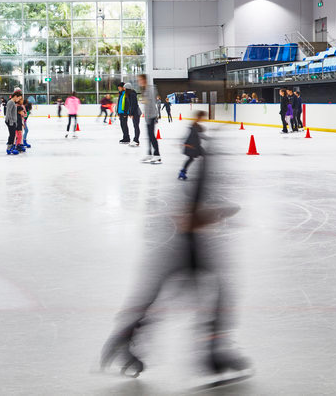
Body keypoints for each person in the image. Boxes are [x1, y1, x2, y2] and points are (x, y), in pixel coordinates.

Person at [100, 129, 249, 381]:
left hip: (184, 247)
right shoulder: (205, 173)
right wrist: (220, 213)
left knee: (173, 297)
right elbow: (191, 216)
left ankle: (127, 340)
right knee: (216, 296)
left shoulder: (202, 172)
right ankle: (211, 353)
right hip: (187, 247)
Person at [138, 74, 161, 164]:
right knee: (149, 136)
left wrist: (153, 117)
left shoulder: (150, 89)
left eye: (140, 80)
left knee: (152, 136)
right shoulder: (145, 89)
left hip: (151, 116)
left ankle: (157, 155)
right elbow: (147, 103)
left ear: (144, 80)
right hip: (148, 117)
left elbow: (151, 104)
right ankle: (149, 154)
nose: (139, 82)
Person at [178, 110, 206, 180]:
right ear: (200, 117)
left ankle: (182, 172)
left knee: (192, 158)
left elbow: (199, 131)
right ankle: (182, 172)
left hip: (195, 145)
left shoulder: (195, 124)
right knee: (192, 158)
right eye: (202, 117)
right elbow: (195, 132)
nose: (203, 119)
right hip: (192, 146)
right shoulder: (195, 125)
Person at [4, 91, 21, 155]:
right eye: (18, 98)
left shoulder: (13, 102)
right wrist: (11, 122)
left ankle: (10, 148)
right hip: (10, 121)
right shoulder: (10, 102)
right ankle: (9, 149)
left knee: (13, 135)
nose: (18, 100)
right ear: (15, 96)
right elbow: (8, 113)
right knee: (12, 135)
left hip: (12, 121)